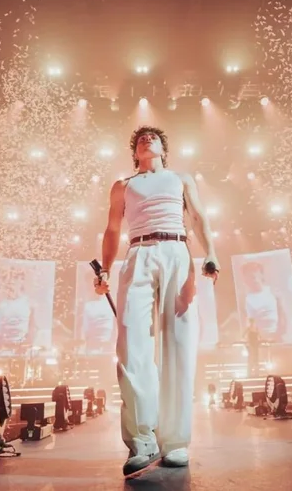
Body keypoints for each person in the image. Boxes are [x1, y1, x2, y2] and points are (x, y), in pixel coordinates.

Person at [95, 126, 219, 475]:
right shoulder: (123, 185)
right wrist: (104, 269)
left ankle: (175, 441)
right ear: (134, 151)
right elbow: (112, 230)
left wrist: (211, 253)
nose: (147, 139)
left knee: (178, 343)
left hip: (177, 251)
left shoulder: (181, 179)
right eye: (141, 138)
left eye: (154, 137)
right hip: (138, 253)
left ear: (164, 148)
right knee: (131, 343)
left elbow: (198, 217)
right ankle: (142, 440)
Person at [239, 261, 287, 342]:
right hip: (256, 340)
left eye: (255, 275)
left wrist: (277, 335)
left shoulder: (274, 292)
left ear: (261, 275)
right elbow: (245, 323)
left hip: (276, 338)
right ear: (245, 279)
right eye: (249, 276)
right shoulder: (244, 299)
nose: (253, 279)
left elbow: (283, 316)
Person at [0, 268, 35, 355]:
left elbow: (33, 329)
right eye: (8, 278)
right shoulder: (1, 305)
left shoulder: (29, 303)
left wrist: (26, 347)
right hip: (4, 350)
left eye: (14, 278)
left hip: (23, 350)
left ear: (22, 280)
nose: (11, 281)